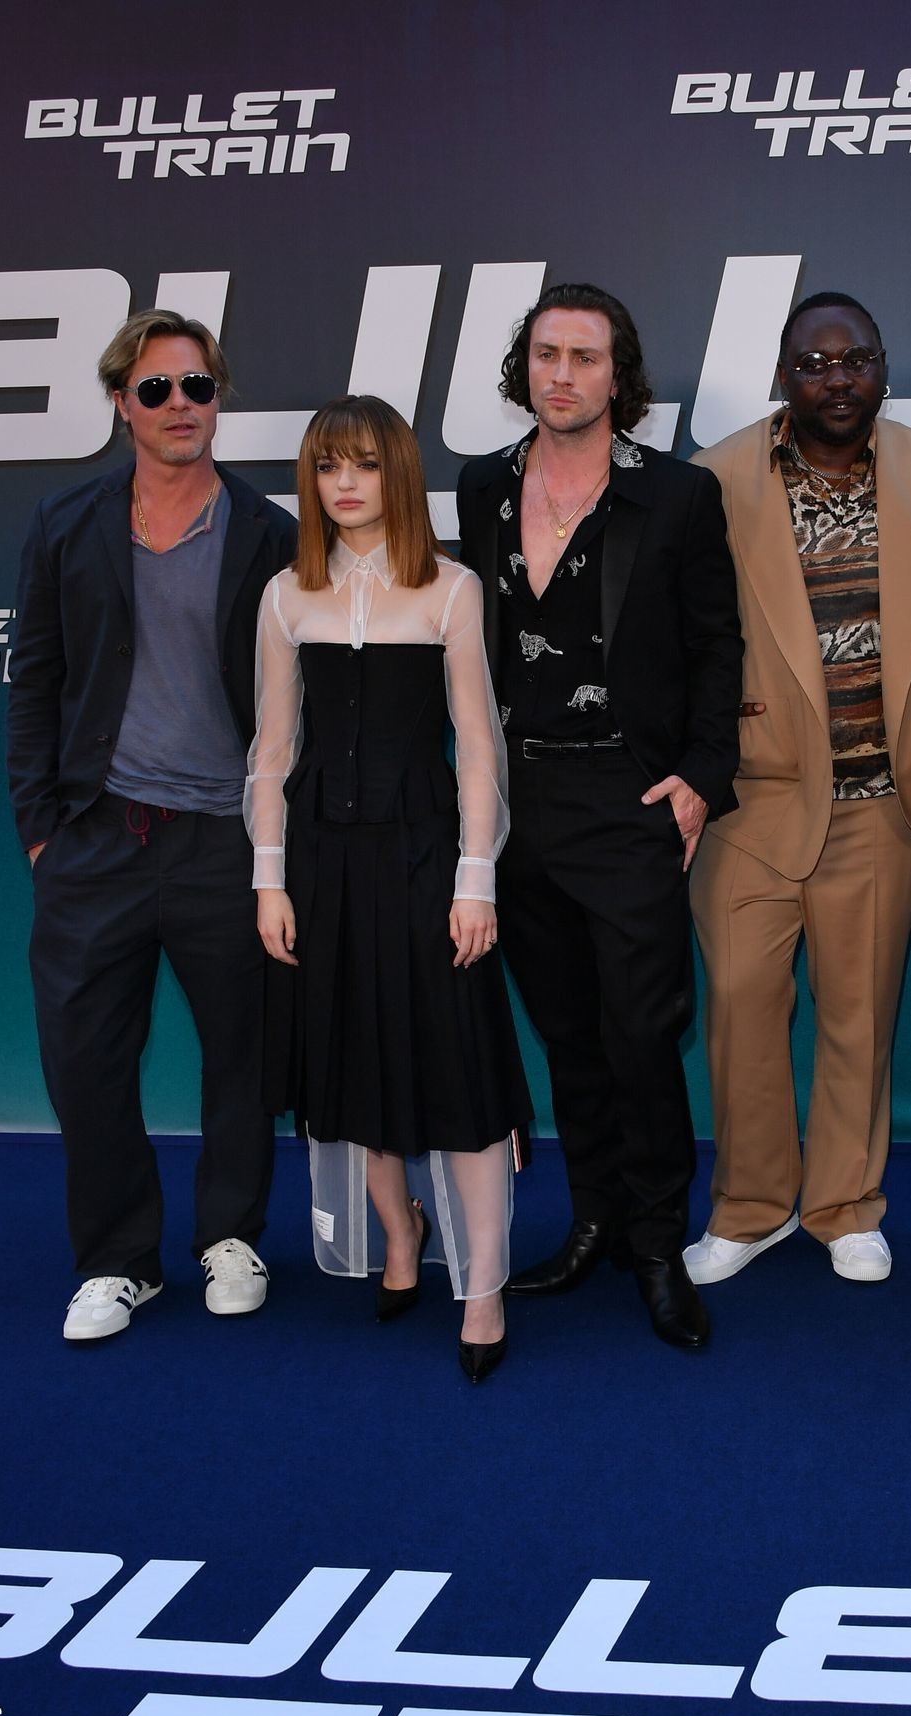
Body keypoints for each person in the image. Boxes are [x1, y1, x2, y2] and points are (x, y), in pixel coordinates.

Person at [455, 283, 742, 1350]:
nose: (562, 374)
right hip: (516, 800)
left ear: (619, 375)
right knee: (569, 1034)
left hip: (627, 799)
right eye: (546, 355)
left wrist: (701, 776)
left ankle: (658, 1245)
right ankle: (592, 1222)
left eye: (584, 356)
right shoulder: (483, 486)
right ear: (523, 369)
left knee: (640, 1035)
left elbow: (718, 645)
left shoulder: (676, 493)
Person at [8, 309, 297, 1342]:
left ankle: (230, 1236)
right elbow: (34, 681)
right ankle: (117, 1261)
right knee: (84, 1059)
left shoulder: (270, 533)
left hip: (226, 839)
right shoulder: (65, 524)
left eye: (198, 387)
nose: (181, 406)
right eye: (157, 389)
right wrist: (41, 829)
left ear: (220, 401)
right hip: (97, 839)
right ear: (120, 404)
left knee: (243, 1056)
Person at [686, 292, 911, 1285]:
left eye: (855, 359)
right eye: (814, 364)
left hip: (881, 805)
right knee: (740, 1011)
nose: (837, 378)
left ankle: (845, 1205)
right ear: (783, 376)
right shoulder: (716, 480)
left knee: (860, 1018)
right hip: (751, 804)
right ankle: (751, 1206)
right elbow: (680, 639)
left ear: (883, 366)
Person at [247, 396, 531, 1383]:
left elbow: (478, 747)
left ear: (398, 474)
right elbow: (272, 750)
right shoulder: (285, 596)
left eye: (364, 463)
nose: (345, 483)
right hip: (322, 864)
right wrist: (269, 881)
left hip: (426, 858)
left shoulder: (451, 589)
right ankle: (400, 1236)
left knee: (459, 1070)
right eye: (328, 466)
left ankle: (483, 1287)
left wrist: (475, 880)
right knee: (350, 1063)